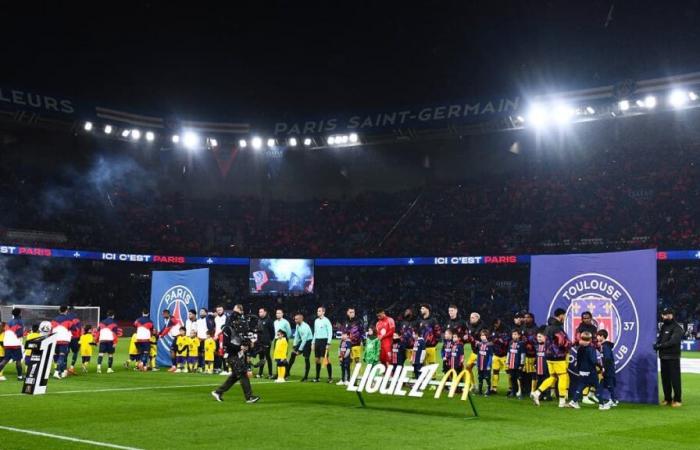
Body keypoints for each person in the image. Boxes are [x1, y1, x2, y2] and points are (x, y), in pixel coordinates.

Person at [531, 308, 572, 408]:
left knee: (553, 377)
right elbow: (562, 342)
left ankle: (537, 393)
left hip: (549, 356)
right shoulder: (557, 328)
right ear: (561, 315)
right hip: (558, 356)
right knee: (563, 376)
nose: (565, 317)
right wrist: (570, 344)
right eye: (564, 315)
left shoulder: (548, 327)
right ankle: (562, 402)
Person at [569, 332, 612, 410]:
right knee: (597, 386)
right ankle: (602, 404)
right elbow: (594, 361)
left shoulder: (580, 348)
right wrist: (600, 366)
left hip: (582, 370)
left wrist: (579, 369)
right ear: (590, 339)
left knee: (581, 385)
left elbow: (578, 360)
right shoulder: (591, 349)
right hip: (590, 371)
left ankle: (573, 401)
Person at [211, 338, 260, 404]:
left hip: (235, 356)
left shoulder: (237, 332)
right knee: (242, 374)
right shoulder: (229, 329)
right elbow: (227, 343)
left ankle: (218, 392)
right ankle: (249, 397)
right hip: (232, 356)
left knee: (234, 377)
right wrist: (240, 347)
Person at [654, 307, 683, 407]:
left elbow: (673, 341)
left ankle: (678, 400)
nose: (664, 316)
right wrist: (656, 344)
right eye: (663, 315)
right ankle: (667, 399)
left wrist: (660, 346)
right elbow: (660, 339)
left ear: (671, 315)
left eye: (666, 315)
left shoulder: (677, 328)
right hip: (663, 357)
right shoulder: (663, 327)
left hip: (673, 357)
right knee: (665, 379)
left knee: (675, 379)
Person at [0, 308, 24, 381]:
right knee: (18, 361)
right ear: (19, 313)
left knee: (5, 360)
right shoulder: (20, 322)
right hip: (15, 344)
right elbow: (19, 334)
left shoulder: (9, 322)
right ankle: (20, 376)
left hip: (7, 344)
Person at [311, 306, 333, 383]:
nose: (318, 312)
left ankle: (330, 378)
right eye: (318, 311)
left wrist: (328, 343)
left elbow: (330, 332)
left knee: (326, 360)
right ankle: (317, 377)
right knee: (317, 360)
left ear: (323, 312)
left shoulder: (327, 321)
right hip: (317, 341)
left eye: (319, 311)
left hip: (324, 341)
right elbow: (315, 332)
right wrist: (313, 342)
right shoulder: (316, 321)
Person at [289, 313, 313, 381]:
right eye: (295, 319)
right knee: (292, 354)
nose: (295, 320)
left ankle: (305, 377)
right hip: (302, 341)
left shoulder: (305, 327)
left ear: (301, 319)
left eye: (296, 319)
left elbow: (305, 340)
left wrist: (299, 350)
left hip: (308, 342)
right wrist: (294, 345)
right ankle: (287, 372)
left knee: (306, 359)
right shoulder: (297, 325)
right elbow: (296, 335)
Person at [596, 329, 617, 406]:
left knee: (608, 384)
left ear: (602, 336)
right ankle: (613, 400)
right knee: (607, 384)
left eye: (598, 336)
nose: (597, 337)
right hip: (608, 368)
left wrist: (604, 367)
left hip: (608, 368)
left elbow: (607, 358)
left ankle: (612, 400)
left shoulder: (605, 346)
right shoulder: (604, 346)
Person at [51, 305, 73, 379]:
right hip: (63, 340)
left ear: (59, 311)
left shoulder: (53, 320)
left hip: (55, 339)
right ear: (66, 311)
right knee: (62, 356)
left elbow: (51, 330)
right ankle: (57, 372)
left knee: (57, 356)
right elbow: (73, 329)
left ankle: (62, 371)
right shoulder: (68, 319)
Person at [418, 304, 441, 372]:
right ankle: (423, 377)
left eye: (422, 308)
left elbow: (438, 332)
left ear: (427, 309)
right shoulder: (420, 321)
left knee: (431, 363)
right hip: (422, 347)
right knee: (422, 362)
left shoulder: (433, 320)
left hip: (431, 346)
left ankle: (433, 379)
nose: (421, 310)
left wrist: (434, 343)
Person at [159, 308, 182, 373]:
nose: (163, 316)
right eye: (163, 314)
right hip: (176, 337)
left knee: (173, 351)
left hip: (178, 337)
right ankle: (176, 366)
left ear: (168, 314)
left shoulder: (172, 319)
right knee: (175, 351)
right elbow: (164, 327)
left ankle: (175, 366)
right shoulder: (168, 320)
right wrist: (159, 334)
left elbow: (167, 329)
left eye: (164, 314)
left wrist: (162, 336)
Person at [520, 312, 538, 397]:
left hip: (532, 355)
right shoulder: (522, 327)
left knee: (533, 374)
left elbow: (537, 342)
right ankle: (523, 390)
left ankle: (533, 391)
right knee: (522, 373)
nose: (526, 319)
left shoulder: (535, 329)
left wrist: (530, 343)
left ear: (532, 318)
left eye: (528, 317)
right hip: (524, 354)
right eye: (525, 317)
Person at [490, 318, 509, 394]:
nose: (495, 325)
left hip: (505, 355)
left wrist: (497, 340)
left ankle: (510, 388)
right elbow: (492, 340)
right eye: (494, 324)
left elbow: (505, 342)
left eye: (496, 324)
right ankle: (494, 388)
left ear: (499, 322)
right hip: (496, 355)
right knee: (495, 371)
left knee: (508, 372)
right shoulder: (493, 330)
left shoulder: (506, 330)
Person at [255, 307, 275, 379]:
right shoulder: (259, 320)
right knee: (261, 358)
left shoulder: (269, 320)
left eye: (261, 312)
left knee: (267, 357)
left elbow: (272, 332)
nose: (259, 313)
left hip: (266, 342)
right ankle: (260, 373)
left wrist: (269, 340)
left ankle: (270, 374)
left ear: (265, 312)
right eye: (259, 312)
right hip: (259, 342)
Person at [505, 328, 525, 398]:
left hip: (518, 365)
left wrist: (521, 364)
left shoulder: (521, 344)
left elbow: (523, 354)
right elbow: (508, 353)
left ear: (519, 335)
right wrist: (507, 362)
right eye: (513, 334)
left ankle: (521, 392)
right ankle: (513, 392)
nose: (514, 336)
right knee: (512, 378)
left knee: (519, 378)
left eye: (515, 334)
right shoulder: (510, 343)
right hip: (511, 364)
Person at [534, 329, 551, 401]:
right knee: (539, 381)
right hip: (539, 368)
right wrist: (535, 364)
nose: (539, 338)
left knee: (546, 380)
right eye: (538, 337)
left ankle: (547, 395)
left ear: (545, 337)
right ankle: (539, 395)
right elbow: (536, 356)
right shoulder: (536, 346)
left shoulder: (548, 346)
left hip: (546, 367)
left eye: (540, 336)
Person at [476, 329, 493, 396]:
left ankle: (488, 391)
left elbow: (491, 356)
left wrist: (489, 365)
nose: (482, 337)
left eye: (484, 335)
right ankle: (479, 391)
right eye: (481, 335)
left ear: (487, 336)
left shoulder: (489, 345)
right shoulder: (479, 344)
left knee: (487, 378)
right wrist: (477, 363)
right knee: (480, 378)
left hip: (486, 366)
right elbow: (478, 355)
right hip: (480, 365)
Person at [67, 305, 82, 375]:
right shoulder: (77, 320)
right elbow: (79, 330)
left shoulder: (65, 319)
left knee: (64, 352)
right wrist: (79, 338)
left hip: (66, 338)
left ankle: (63, 368)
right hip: (74, 338)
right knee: (75, 352)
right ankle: (71, 367)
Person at [213, 305, 228, 373]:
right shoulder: (216, 318)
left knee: (223, 353)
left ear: (223, 310)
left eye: (220, 310)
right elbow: (216, 328)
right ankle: (217, 368)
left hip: (223, 337)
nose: (219, 311)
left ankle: (226, 368)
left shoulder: (226, 318)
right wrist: (215, 335)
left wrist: (218, 335)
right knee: (216, 353)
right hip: (216, 338)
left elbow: (224, 328)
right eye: (218, 310)